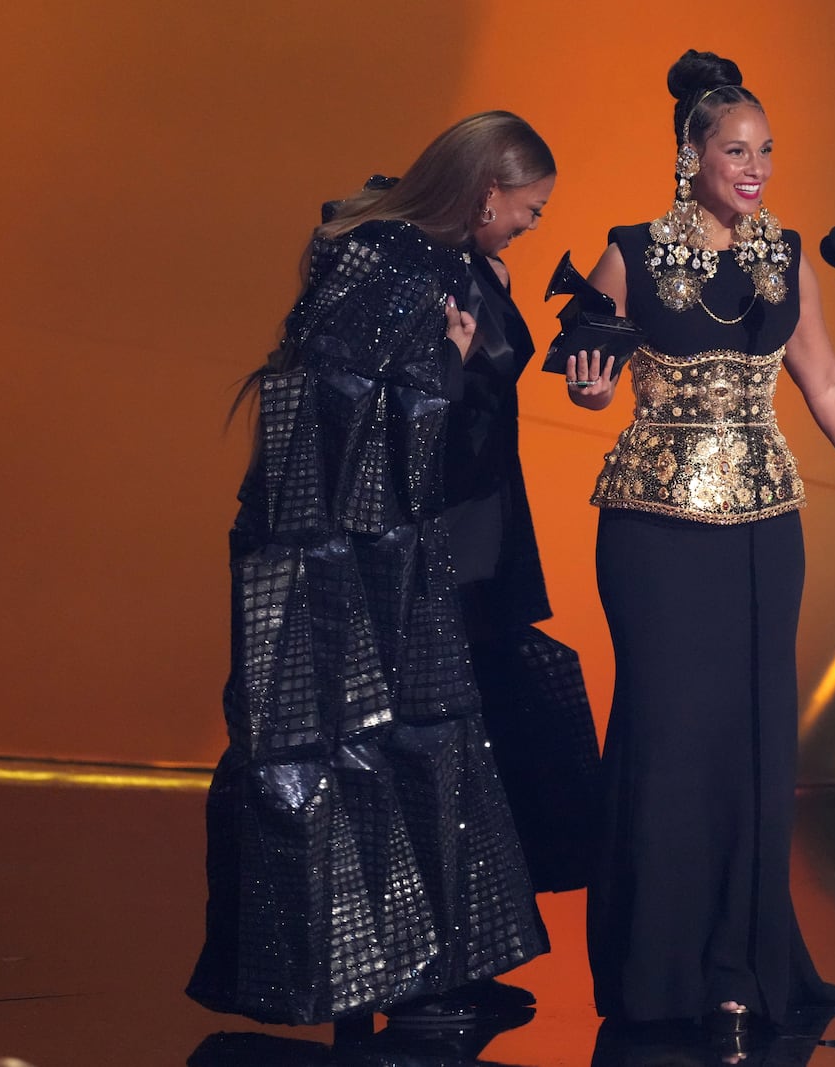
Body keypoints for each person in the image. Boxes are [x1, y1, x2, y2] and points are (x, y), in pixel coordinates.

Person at [187, 111, 560, 1032]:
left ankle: (430, 968)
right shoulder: (388, 262)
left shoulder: (442, 264)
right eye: (529, 208)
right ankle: (373, 978)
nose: (531, 225)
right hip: (333, 560)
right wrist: (448, 362)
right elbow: (334, 413)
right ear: (485, 193)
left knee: (425, 738)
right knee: (352, 744)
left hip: (405, 546)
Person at [565, 49, 835, 1031]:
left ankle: (744, 959)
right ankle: (656, 968)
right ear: (690, 156)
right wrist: (589, 387)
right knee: (672, 736)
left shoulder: (788, 256)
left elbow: (826, 383)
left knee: (754, 740)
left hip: (765, 527)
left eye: (766, 152)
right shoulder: (627, 250)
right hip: (656, 530)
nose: (754, 169)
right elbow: (586, 373)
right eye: (735, 151)